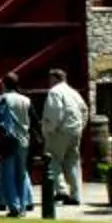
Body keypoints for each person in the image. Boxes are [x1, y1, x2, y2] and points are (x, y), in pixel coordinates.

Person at [39, 67, 89, 205]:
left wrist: (49, 129)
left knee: (53, 160)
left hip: (60, 131)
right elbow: (84, 110)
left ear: (54, 78)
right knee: (73, 162)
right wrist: (80, 126)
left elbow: (55, 112)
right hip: (75, 130)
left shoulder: (55, 92)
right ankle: (76, 194)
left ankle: (61, 191)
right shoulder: (73, 92)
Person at [0, 75, 34, 215]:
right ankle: (24, 204)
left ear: (3, 84)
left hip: (6, 139)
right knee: (22, 173)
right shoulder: (26, 100)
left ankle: (14, 206)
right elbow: (34, 121)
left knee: (7, 172)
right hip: (23, 139)